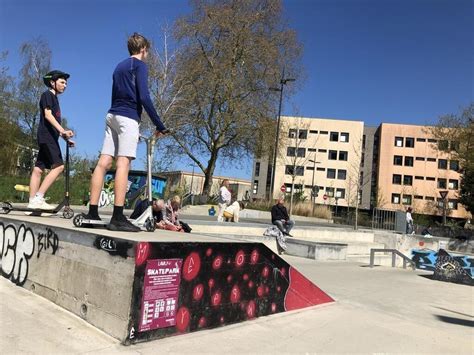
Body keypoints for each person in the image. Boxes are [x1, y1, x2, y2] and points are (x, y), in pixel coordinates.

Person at [83, 33, 167, 232]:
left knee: (103, 162)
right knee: (124, 162)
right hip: (128, 117)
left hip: (112, 114)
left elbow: (114, 94)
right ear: (144, 49)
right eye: (147, 51)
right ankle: (118, 217)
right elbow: (144, 97)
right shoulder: (140, 66)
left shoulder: (119, 66)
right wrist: (159, 125)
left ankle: (92, 213)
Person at [27, 70, 75, 210]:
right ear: (52, 83)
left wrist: (65, 138)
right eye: (62, 82)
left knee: (38, 170)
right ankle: (39, 198)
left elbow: (52, 124)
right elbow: (48, 116)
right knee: (59, 166)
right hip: (47, 137)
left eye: (66, 83)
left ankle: (32, 203)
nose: (65, 85)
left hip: (47, 136)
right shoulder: (47, 95)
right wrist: (63, 130)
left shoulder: (55, 99)